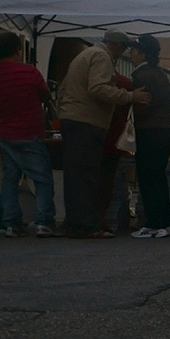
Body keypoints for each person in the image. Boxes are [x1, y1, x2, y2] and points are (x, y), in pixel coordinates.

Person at [56, 32, 148, 239]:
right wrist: (129, 96)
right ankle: (87, 226)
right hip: (87, 122)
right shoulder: (102, 57)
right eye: (123, 47)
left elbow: (62, 89)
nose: (124, 52)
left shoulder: (85, 55)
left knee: (75, 177)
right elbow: (98, 88)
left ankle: (74, 223)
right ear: (115, 45)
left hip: (72, 118)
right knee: (88, 176)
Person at [0, 31, 58, 238]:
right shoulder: (30, 72)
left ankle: (12, 223)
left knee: (10, 179)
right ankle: (44, 221)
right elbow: (45, 96)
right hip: (29, 132)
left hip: (5, 133)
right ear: (18, 49)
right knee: (42, 179)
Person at [129, 35, 170, 239]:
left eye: (133, 50)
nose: (130, 53)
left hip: (148, 131)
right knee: (159, 177)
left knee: (148, 178)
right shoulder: (161, 74)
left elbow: (140, 106)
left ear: (141, 54)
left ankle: (154, 223)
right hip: (164, 131)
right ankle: (165, 222)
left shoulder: (141, 76)